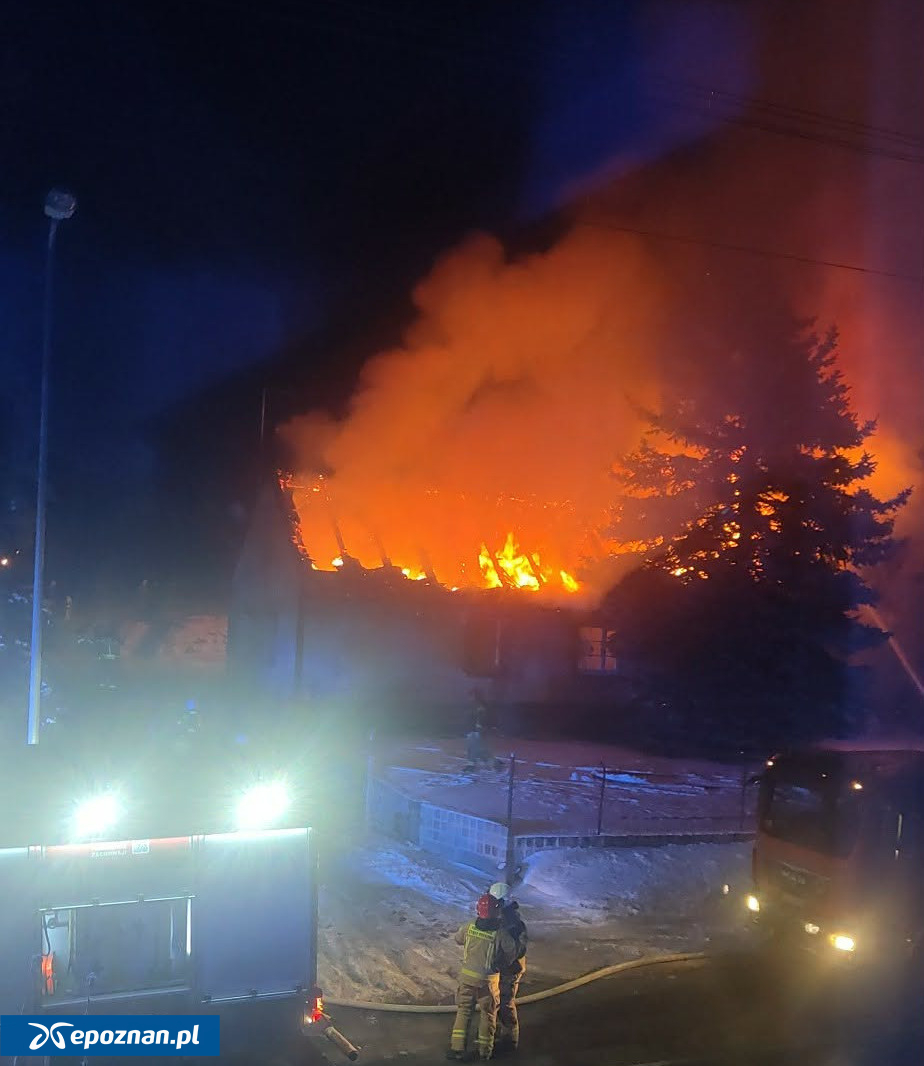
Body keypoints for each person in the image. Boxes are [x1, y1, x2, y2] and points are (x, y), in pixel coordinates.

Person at [447, 893, 516, 1062]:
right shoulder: (500, 933)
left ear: (478, 909)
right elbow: (512, 952)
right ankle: (485, 1052)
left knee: (464, 1011)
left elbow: (458, 939)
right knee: (488, 1014)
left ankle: (457, 1048)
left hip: (467, 979)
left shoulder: (470, 925)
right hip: (487, 982)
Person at [488, 882, 528, 1056]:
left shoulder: (513, 923)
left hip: (511, 968)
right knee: (498, 1003)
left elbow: (517, 950)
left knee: (506, 1003)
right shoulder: (505, 919)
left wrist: (502, 963)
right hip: (504, 967)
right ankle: (497, 1036)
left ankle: (510, 1041)